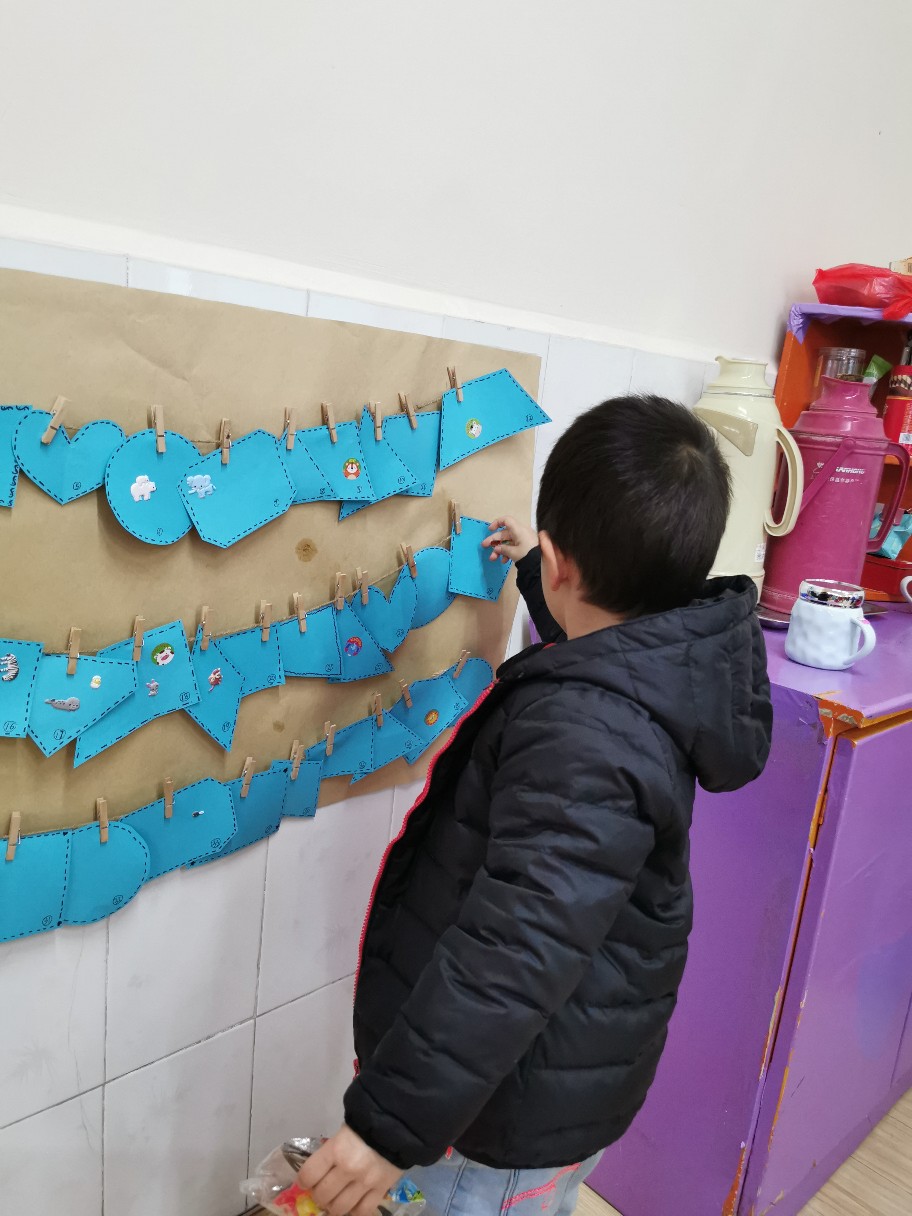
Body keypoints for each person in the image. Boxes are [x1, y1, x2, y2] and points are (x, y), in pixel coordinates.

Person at [299, 395, 773, 1216]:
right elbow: (601, 636)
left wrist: (388, 1126)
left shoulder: (584, 735)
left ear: (564, 565)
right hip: (560, 1079)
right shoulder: (666, 662)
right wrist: (536, 570)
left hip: (500, 1117)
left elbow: (513, 950)